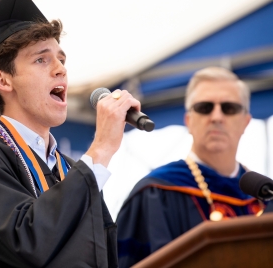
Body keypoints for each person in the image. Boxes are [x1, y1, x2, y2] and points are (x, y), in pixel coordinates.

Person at [0, 0, 141, 268]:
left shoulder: (69, 169)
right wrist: (102, 148)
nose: (60, 69)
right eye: (41, 59)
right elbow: (28, 240)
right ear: (4, 80)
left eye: (61, 59)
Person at [116, 66, 270, 267]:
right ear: (188, 120)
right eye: (204, 107)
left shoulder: (263, 195)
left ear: (246, 122)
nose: (216, 117)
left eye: (229, 108)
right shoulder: (155, 193)